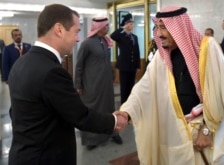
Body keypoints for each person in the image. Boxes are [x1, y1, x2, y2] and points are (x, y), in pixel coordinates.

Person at [117, 6, 224, 164]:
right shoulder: (162, 56)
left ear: (178, 27)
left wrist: (207, 130)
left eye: (164, 27)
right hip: (173, 130)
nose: (159, 34)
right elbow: (143, 89)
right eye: (158, 28)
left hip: (202, 134)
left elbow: (222, 92)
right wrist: (126, 112)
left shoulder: (207, 49)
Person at [7, 4, 127, 165]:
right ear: (59, 30)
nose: (78, 38)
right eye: (76, 31)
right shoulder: (52, 72)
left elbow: (15, 112)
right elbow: (80, 116)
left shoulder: (21, 63)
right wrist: (114, 121)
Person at [74, 17, 122, 150]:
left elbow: (107, 61)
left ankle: (112, 133)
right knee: (93, 110)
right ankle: (91, 139)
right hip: (92, 85)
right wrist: (78, 85)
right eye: (106, 26)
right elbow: (79, 65)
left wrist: (112, 75)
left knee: (109, 108)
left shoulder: (105, 42)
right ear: (99, 27)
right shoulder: (87, 44)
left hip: (106, 85)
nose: (108, 28)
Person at [110, 13, 140, 104]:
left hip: (132, 66)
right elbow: (112, 35)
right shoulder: (121, 35)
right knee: (124, 87)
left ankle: (130, 103)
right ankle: (123, 104)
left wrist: (137, 65)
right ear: (126, 24)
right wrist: (122, 28)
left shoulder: (134, 37)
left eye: (132, 24)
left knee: (131, 86)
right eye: (130, 24)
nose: (132, 25)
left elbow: (137, 51)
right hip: (124, 65)